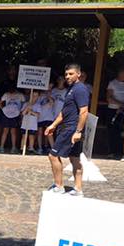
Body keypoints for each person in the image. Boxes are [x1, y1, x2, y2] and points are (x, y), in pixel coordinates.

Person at [45, 63, 90, 197]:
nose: (67, 77)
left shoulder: (80, 89)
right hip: (67, 126)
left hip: (71, 128)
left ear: (78, 74)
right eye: (66, 74)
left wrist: (78, 131)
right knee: (74, 158)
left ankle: (59, 186)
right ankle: (78, 189)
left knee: (53, 155)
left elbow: (84, 112)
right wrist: (53, 125)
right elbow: (64, 112)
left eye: (71, 74)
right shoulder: (71, 89)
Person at [105, 67, 124, 158]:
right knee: (111, 130)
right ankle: (111, 151)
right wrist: (120, 104)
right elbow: (109, 97)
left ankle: (121, 152)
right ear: (120, 73)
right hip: (113, 109)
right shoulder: (112, 83)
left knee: (122, 131)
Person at [0, 84, 25, 153]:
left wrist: (20, 111)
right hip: (6, 113)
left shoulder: (20, 95)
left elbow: (24, 103)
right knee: (5, 130)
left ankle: (13, 147)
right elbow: (0, 102)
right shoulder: (6, 94)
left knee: (13, 131)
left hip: (16, 114)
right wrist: (3, 109)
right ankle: (1, 147)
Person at [33, 88, 56, 154]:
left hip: (49, 116)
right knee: (39, 133)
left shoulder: (52, 95)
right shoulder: (39, 96)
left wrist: (48, 95)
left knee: (49, 133)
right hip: (40, 116)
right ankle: (40, 148)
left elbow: (52, 103)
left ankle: (53, 148)